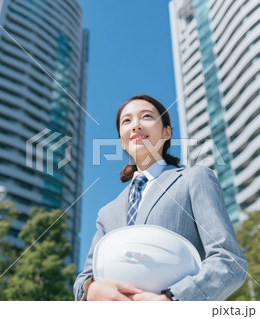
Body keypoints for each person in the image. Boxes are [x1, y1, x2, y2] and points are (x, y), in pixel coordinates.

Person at [73, 94, 247, 301]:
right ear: (122, 142)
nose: (136, 125)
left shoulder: (194, 178)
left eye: (146, 117)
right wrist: (91, 290)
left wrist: (172, 300)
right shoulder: (107, 213)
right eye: (127, 121)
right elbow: (84, 278)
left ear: (166, 133)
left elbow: (229, 260)